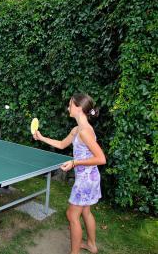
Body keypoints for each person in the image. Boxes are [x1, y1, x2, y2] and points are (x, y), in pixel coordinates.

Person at [33, 93, 106, 254]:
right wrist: (42, 137)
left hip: (86, 179)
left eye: (70, 104)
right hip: (90, 177)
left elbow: (101, 159)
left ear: (79, 108)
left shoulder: (84, 132)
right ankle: (92, 245)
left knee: (72, 215)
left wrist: (75, 163)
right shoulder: (77, 129)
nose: (68, 107)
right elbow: (61, 144)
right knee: (85, 211)